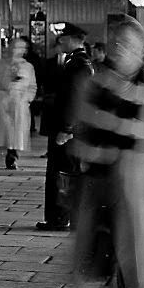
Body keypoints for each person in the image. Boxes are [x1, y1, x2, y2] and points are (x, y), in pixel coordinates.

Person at [71, 17, 144, 288]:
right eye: (116, 44)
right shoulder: (95, 84)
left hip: (133, 191)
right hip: (105, 190)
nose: (120, 51)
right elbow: (87, 140)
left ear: (142, 52)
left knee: (130, 261)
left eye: (128, 46)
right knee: (112, 260)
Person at [37, 23, 93, 231]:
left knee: (62, 174)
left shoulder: (79, 65)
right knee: (65, 172)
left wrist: (67, 129)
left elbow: (75, 100)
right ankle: (65, 217)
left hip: (68, 131)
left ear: (73, 39)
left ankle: (60, 218)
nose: (60, 41)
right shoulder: (75, 62)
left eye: (63, 38)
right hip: (68, 129)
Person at [0, 36, 37, 169]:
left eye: (20, 48)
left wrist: (27, 98)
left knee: (17, 133)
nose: (16, 50)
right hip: (3, 102)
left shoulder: (28, 67)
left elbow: (32, 86)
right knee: (5, 131)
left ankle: (12, 156)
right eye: (15, 47)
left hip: (19, 103)